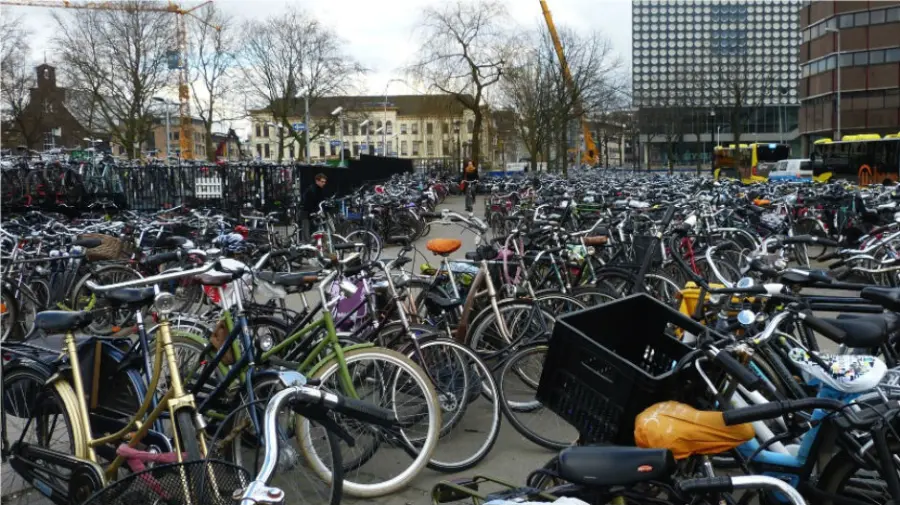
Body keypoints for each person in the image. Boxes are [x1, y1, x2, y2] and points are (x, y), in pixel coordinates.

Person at [300, 173, 327, 242]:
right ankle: (306, 248)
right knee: (306, 232)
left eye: (324, 182)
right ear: (317, 181)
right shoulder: (311, 190)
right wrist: (312, 212)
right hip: (306, 213)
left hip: (314, 213)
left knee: (314, 231)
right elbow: (307, 203)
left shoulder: (320, 190)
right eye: (322, 181)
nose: (323, 183)